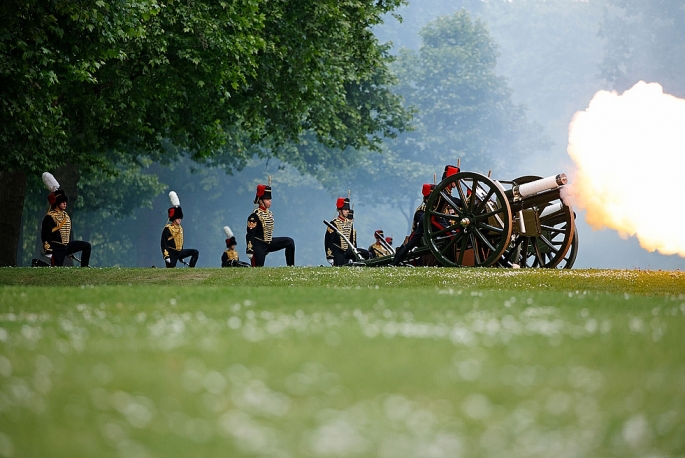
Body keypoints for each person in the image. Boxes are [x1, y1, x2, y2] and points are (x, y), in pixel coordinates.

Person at [40, 172, 91, 267]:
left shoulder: (66, 215)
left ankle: (84, 267)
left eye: (65, 202)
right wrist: (48, 251)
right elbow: (45, 235)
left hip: (66, 246)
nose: (65, 203)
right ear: (57, 203)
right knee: (57, 269)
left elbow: (66, 233)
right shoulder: (50, 217)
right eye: (62, 202)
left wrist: (68, 250)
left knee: (87, 246)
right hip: (56, 248)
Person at [246, 183, 295, 267]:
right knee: (257, 268)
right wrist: (249, 249)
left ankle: (291, 266)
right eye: (267, 199)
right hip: (258, 245)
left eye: (270, 199)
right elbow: (250, 234)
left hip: (268, 242)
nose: (270, 201)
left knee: (289, 242)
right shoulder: (254, 216)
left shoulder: (269, 213)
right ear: (261, 201)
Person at [391, 183, 435, 266]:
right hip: (418, 237)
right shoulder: (420, 211)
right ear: (426, 199)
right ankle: (395, 262)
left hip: (430, 237)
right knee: (409, 246)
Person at [161, 191, 199, 267]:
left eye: (180, 218)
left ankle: (191, 267)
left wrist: (181, 255)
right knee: (171, 269)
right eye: (178, 218)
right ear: (174, 219)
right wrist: (166, 256)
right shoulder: (168, 228)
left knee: (195, 252)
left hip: (180, 252)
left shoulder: (181, 228)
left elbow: (180, 242)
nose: (179, 219)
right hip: (172, 253)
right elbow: (163, 244)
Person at [325, 197, 360, 266]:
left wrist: (352, 255)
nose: (347, 211)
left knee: (365, 253)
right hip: (337, 253)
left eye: (348, 209)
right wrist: (330, 256)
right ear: (340, 210)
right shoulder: (333, 223)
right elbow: (328, 241)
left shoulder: (349, 223)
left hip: (348, 252)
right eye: (345, 209)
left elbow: (351, 240)